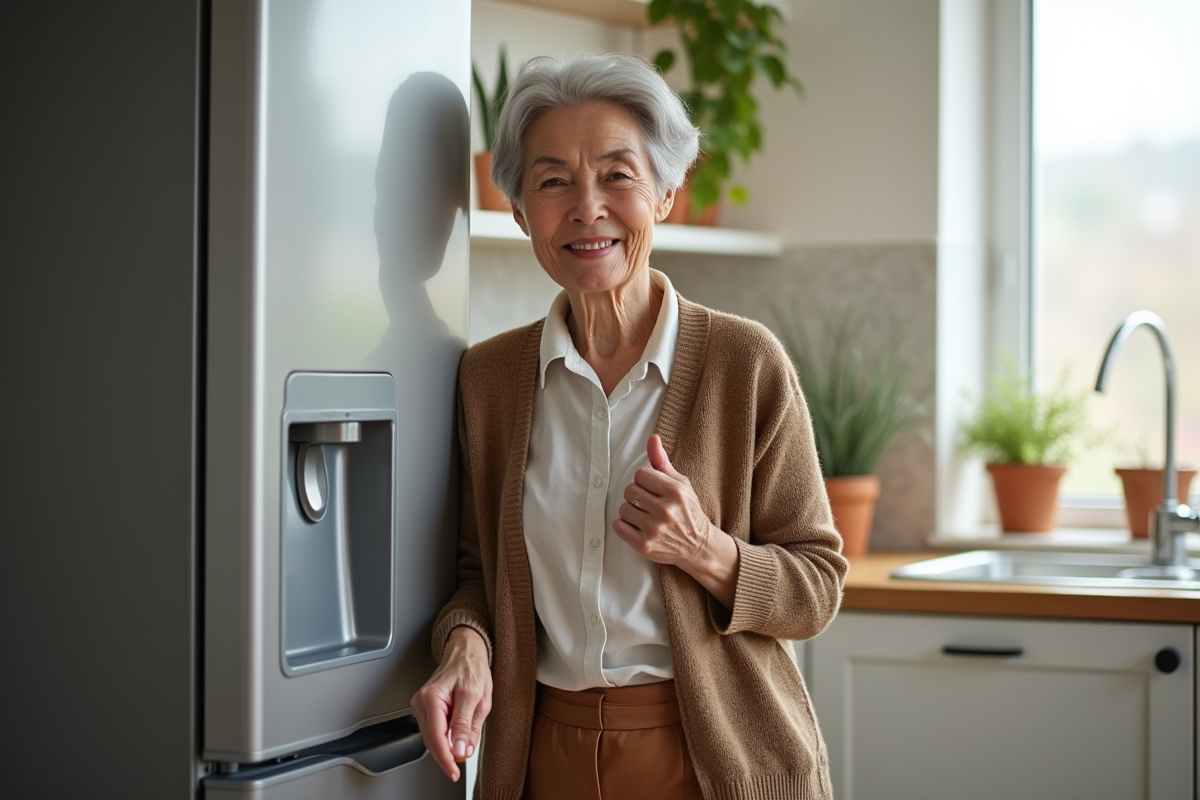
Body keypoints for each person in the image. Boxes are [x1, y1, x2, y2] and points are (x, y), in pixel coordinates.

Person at [411, 51, 847, 800]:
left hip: (715, 762)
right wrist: (465, 648)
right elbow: (474, 577)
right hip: (541, 756)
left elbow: (818, 585)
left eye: (618, 174)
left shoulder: (745, 364)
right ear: (519, 211)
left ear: (668, 193)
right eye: (553, 182)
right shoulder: (486, 381)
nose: (588, 208)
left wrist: (706, 551)